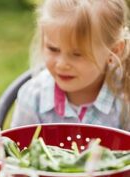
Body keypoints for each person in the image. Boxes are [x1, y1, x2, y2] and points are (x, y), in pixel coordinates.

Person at [11, 0, 130, 131]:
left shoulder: (125, 99)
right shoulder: (33, 97)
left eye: (77, 54)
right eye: (53, 49)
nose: (62, 65)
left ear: (114, 51)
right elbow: (16, 148)